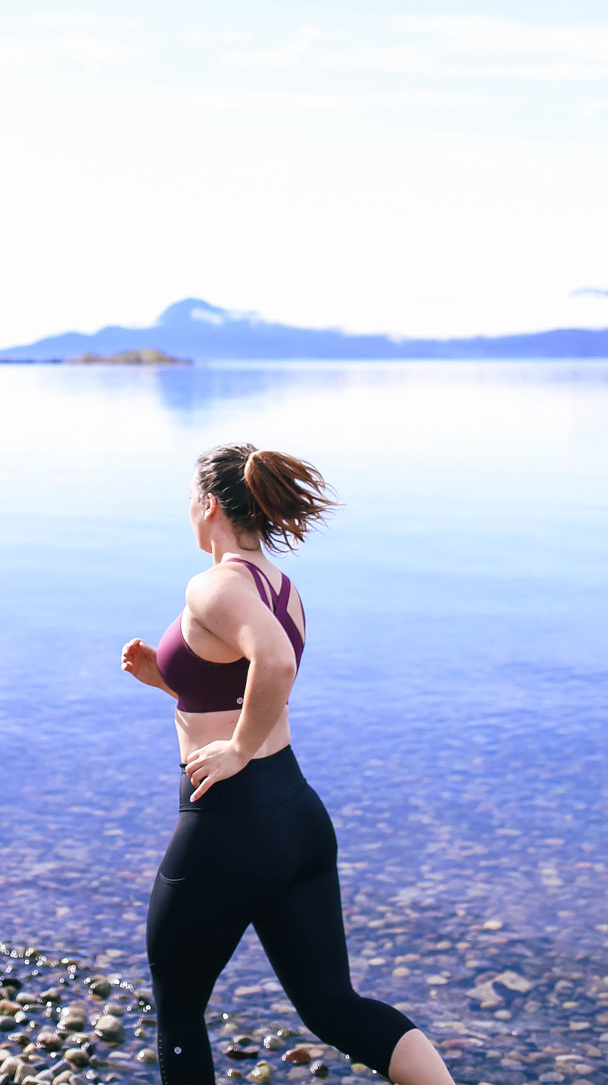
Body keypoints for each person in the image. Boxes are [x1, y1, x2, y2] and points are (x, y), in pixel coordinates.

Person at [121, 442, 456, 1085]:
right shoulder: (278, 585)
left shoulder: (213, 584)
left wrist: (238, 750)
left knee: (179, 1008)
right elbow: (244, 687)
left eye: (190, 500)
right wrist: (166, 682)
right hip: (294, 815)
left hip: (227, 824)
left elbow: (274, 664)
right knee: (334, 1007)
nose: (188, 511)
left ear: (210, 504)